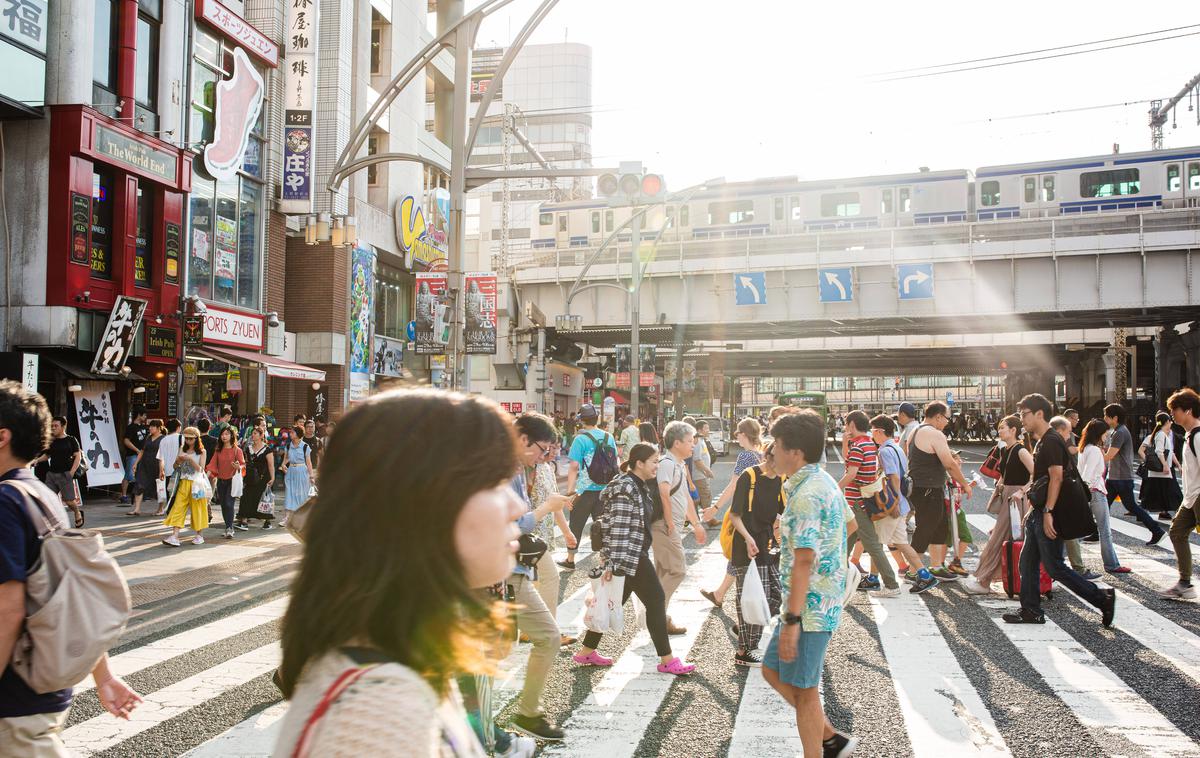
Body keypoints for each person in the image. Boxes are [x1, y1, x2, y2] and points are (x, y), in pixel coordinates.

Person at [273, 389, 523, 757]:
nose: (517, 505)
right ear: (421, 502)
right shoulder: (375, 712)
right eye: (492, 483)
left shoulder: (393, 660)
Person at [0, 380, 142, 754]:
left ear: (2, 436)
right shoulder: (41, 495)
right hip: (40, 690)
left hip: (14, 699)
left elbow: (8, 610)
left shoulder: (5, 502)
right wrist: (104, 676)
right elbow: (70, 591)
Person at [763, 410, 857, 758]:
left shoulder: (805, 497)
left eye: (776, 445)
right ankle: (831, 738)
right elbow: (847, 525)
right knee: (772, 671)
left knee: (805, 691)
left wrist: (792, 621)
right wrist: (830, 562)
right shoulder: (822, 481)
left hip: (808, 610)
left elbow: (804, 561)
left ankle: (822, 749)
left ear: (795, 453)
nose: (771, 451)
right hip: (814, 602)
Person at [574, 442, 696, 677]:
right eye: (653, 461)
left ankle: (587, 651)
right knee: (656, 600)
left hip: (630, 555)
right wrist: (612, 564)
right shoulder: (625, 488)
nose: (656, 466)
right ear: (639, 463)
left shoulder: (637, 484)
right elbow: (618, 529)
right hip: (629, 556)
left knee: (612, 601)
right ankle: (667, 660)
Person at [1002, 394, 1115, 627]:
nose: (1021, 419)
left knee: (1054, 566)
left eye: (1024, 414)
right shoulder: (1044, 440)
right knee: (1027, 562)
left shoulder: (1051, 441)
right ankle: (1030, 610)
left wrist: (1047, 513)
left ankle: (1100, 598)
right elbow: (1042, 479)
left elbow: (1056, 477)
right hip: (1040, 510)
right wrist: (1034, 509)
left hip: (1049, 511)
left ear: (1039, 414)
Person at [506, 413, 572, 741]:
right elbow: (513, 525)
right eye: (540, 449)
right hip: (501, 570)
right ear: (522, 438)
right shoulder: (504, 470)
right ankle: (522, 715)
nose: (542, 456)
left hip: (508, 568)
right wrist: (547, 508)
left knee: (493, 650)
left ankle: (523, 713)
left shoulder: (516, 467)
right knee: (545, 638)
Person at [726, 443, 785, 666]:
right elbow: (735, 514)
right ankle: (745, 650)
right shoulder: (749, 476)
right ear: (770, 457)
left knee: (774, 597)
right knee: (750, 598)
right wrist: (748, 538)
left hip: (767, 544)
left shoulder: (779, 480)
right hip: (746, 546)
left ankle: (742, 630)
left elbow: (780, 512)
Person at [963, 416, 1035, 594]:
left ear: (1013, 431)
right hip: (1008, 498)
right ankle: (1031, 579)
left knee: (999, 538)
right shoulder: (1005, 450)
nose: (999, 431)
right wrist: (1001, 486)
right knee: (1012, 539)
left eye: (1002, 428)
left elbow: (1036, 475)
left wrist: (1021, 491)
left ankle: (985, 580)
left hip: (1017, 500)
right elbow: (1005, 474)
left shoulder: (1021, 450)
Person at [699, 418, 765, 608]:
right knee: (742, 553)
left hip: (745, 512)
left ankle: (748, 604)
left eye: (738, 433)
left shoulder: (746, 457)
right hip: (760, 510)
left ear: (744, 434)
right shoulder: (761, 454)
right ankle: (719, 594)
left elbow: (734, 484)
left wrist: (715, 508)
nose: (736, 436)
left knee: (741, 552)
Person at [870, 415, 938, 594]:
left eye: (873, 431)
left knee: (877, 544)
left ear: (879, 431)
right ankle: (925, 575)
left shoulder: (884, 451)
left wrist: (894, 502)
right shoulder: (897, 447)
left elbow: (893, 477)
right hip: (903, 503)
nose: (872, 435)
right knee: (901, 542)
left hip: (892, 505)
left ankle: (875, 579)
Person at [907, 402, 975, 582]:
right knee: (926, 528)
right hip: (927, 487)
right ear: (938, 416)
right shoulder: (934, 433)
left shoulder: (915, 431)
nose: (947, 422)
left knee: (939, 526)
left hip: (924, 486)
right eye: (947, 418)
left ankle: (936, 566)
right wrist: (965, 484)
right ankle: (913, 571)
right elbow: (950, 464)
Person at [839, 411, 901, 597]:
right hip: (861, 501)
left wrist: (834, 490)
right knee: (845, 542)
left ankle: (891, 584)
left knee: (871, 544)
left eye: (846, 425)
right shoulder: (867, 443)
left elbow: (851, 473)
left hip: (857, 502)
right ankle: (838, 579)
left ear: (851, 425)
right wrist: (844, 442)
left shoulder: (859, 445)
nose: (845, 428)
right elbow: (849, 461)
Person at [653, 421, 708, 635]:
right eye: (689, 441)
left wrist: (696, 524)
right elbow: (663, 493)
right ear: (676, 443)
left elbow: (684, 496)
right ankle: (656, 614)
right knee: (677, 571)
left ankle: (659, 616)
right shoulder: (667, 463)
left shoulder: (678, 464)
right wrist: (669, 523)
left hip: (670, 525)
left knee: (664, 572)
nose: (693, 445)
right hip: (665, 526)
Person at [525, 434, 577, 647]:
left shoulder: (547, 469)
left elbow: (555, 507)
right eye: (549, 448)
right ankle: (547, 630)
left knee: (534, 584)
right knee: (547, 579)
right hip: (528, 534)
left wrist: (566, 532)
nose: (553, 453)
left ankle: (532, 629)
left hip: (543, 535)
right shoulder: (529, 469)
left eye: (555, 448)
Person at [560, 404, 616, 570]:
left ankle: (570, 559)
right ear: (597, 418)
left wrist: (570, 491)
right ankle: (605, 560)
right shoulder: (608, 437)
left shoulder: (580, 439)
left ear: (581, 421)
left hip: (584, 490)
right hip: (605, 489)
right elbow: (614, 462)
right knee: (604, 525)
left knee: (576, 524)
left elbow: (573, 467)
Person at [1102, 403, 1166, 545]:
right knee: (1103, 505)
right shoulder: (1117, 431)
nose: (1104, 418)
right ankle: (1094, 532)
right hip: (1115, 477)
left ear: (1115, 417)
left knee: (1129, 506)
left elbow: (1109, 455)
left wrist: (1092, 451)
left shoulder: (1120, 432)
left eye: (1107, 416)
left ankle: (1157, 531)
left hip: (1121, 477)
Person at [1047, 417, 1099, 581]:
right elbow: (1056, 476)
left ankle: (1057, 568)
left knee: (1062, 535)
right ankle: (1073, 569)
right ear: (1059, 430)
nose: (1069, 436)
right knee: (1067, 534)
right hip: (1059, 497)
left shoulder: (1051, 444)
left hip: (1059, 497)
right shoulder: (1054, 446)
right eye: (1068, 432)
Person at [1076, 418, 1130, 576]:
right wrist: (1090, 489)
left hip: (1088, 491)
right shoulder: (1093, 450)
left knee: (1079, 531)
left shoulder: (1084, 448)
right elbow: (1088, 474)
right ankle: (1111, 564)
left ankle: (1062, 560)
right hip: (1095, 492)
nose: (1106, 437)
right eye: (1105, 435)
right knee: (1105, 530)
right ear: (1098, 434)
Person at [1160, 388, 1200, 599]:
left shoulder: (1198, 436)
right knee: (1176, 532)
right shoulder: (1189, 435)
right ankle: (1185, 583)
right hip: (1191, 497)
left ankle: (1185, 583)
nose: (1172, 414)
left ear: (1188, 410)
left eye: (1175, 409)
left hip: (1198, 496)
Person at [162, 428, 210, 547]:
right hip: (183, 482)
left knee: (198, 509)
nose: (188, 441)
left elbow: (201, 469)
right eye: (186, 438)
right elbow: (175, 467)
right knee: (178, 507)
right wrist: (178, 461)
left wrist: (189, 459)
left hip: (196, 483)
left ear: (196, 438)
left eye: (191, 438)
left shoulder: (202, 451)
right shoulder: (181, 449)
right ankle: (175, 536)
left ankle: (199, 535)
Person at [36, 416, 84, 528]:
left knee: (69, 501)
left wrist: (71, 472)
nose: (53, 428)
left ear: (63, 426)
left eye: (56, 426)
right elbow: (47, 455)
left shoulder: (71, 440)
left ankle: (77, 512)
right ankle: (52, 521)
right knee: (48, 499)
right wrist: (37, 460)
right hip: (51, 474)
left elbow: (78, 457)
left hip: (65, 474)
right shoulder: (51, 441)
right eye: (52, 426)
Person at [206, 425, 246, 540]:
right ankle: (228, 527)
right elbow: (212, 465)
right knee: (224, 505)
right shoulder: (218, 450)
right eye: (222, 434)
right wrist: (204, 477)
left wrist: (239, 466)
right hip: (221, 481)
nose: (224, 436)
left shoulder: (237, 450)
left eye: (227, 434)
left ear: (232, 436)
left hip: (232, 481)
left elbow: (243, 464)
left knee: (229, 504)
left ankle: (229, 528)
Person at [1140, 411, 1179, 521]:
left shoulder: (1159, 434)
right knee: (1175, 494)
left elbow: (1170, 452)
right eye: (1170, 421)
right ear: (1167, 422)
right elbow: (1159, 451)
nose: (1171, 423)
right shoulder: (1161, 434)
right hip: (1164, 470)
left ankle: (1144, 513)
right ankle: (1181, 517)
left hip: (1161, 471)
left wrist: (1178, 465)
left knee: (1155, 494)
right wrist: (1165, 465)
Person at [235, 426, 276, 531]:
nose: (253, 435)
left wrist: (273, 477)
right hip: (251, 477)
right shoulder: (248, 448)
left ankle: (267, 521)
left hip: (263, 477)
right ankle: (243, 521)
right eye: (252, 433)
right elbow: (246, 462)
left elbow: (271, 465)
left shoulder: (267, 449)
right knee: (246, 497)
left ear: (262, 435)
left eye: (255, 433)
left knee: (263, 499)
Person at [129, 419, 165, 517]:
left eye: (152, 426)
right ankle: (137, 509)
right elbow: (142, 451)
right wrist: (136, 463)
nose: (150, 428)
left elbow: (163, 455)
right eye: (150, 426)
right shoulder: (148, 438)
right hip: (144, 464)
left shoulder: (163, 439)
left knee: (159, 487)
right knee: (139, 484)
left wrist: (162, 469)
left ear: (158, 428)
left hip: (157, 465)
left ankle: (160, 509)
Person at [280, 425, 313, 529]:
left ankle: (302, 519)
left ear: (298, 434)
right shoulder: (288, 445)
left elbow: (309, 462)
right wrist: (283, 464)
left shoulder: (305, 446)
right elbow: (287, 458)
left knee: (301, 495)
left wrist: (311, 475)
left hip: (302, 471)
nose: (290, 434)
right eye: (290, 432)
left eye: (293, 433)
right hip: (291, 472)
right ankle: (287, 518)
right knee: (289, 493)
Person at [119, 407, 149, 503]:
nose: (145, 417)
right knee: (129, 474)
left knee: (141, 475)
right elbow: (126, 441)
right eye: (144, 415)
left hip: (143, 454)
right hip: (133, 454)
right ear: (139, 415)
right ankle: (123, 495)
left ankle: (140, 495)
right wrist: (136, 450)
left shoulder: (145, 427)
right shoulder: (131, 427)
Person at [156, 418, 183, 515]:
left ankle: (171, 512)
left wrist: (161, 471)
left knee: (170, 493)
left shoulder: (163, 440)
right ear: (178, 427)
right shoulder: (181, 438)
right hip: (179, 470)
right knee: (179, 493)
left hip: (167, 471)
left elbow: (160, 458)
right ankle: (175, 513)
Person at [692, 420, 716, 524]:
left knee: (703, 497)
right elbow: (697, 460)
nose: (708, 430)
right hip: (699, 475)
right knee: (705, 497)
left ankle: (707, 519)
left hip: (702, 475)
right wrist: (707, 471)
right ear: (699, 430)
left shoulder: (701, 440)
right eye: (706, 428)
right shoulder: (697, 442)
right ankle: (708, 519)